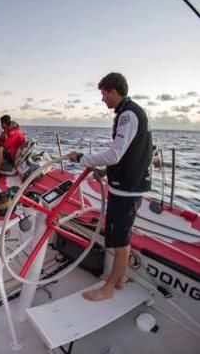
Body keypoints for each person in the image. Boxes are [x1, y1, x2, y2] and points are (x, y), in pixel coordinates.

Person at [69, 72, 152, 301]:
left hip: (127, 189)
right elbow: (129, 153)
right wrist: (106, 172)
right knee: (119, 235)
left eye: (104, 93)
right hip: (125, 184)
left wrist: (82, 158)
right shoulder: (130, 111)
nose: (103, 99)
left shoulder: (127, 115)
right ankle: (119, 279)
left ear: (114, 91)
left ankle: (108, 289)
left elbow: (115, 154)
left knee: (120, 239)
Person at [0, 115, 25, 182]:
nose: (0, 125)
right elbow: (1, 138)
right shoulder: (7, 129)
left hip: (16, 153)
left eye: (1, 124)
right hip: (11, 150)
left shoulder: (15, 131)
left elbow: (6, 144)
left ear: (4, 123)